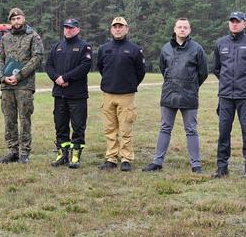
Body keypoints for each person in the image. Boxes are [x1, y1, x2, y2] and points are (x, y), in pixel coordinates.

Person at [142, 18, 208, 174]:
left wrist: (191, 85)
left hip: (189, 95)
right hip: (169, 95)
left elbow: (203, 73)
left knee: (191, 129)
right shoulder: (166, 49)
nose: (182, 29)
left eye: (185, 27)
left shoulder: (197, 49)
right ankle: (157, 162)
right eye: (180, 27)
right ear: (175, 29)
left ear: (190, 30)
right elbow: (163, 68)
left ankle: (196, 164)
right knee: (165, 128)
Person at [97, 17, 146, 172]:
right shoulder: (104, 48)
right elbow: (100, 68)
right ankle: (111, 157)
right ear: (111, 30)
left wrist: (130, 84)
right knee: (110, 129)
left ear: (127, 29)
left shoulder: (134, 49)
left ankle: (126, 158)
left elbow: (140, 72)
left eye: (121, 26)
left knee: (125, 129)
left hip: (126, 95)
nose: (118, 29)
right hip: (108, 94)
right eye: (115, 27)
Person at [0, 8, 44, 164]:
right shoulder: (5, 38)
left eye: (19, 18)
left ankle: (24, 152)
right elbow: (0, 59)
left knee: (24, 119)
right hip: (7, 86)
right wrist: (3, 77)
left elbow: (36, 58)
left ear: (24, 18)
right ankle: (13, 151)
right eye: (13, 19)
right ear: (10, 21)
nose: (16, 21)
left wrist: (19, 75)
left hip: (24, 85)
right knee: (9, 119)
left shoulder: (33, 36)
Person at [46, 18, 92, 169]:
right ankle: (62, 154)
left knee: (78, 126)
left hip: (77, 95)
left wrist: (66, 78)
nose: (68, 30)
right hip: (59, 94)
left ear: (78, 30)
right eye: (66, 28)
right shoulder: (57, 47)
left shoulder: (84, 47)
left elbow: (84, 67)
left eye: (71, 28)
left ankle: (75, 155)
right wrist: (57, 78)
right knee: (60, 125)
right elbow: (49, 66)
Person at [212, 11, 246, 178]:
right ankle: (222, 167)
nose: (234, 24)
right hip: (225, 96)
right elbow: (217, 69)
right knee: (223, 131)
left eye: (237, 21)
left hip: (244, 97)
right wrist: (227, 82)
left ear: (244, 24)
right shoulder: (220, 44)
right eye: (232, 21)